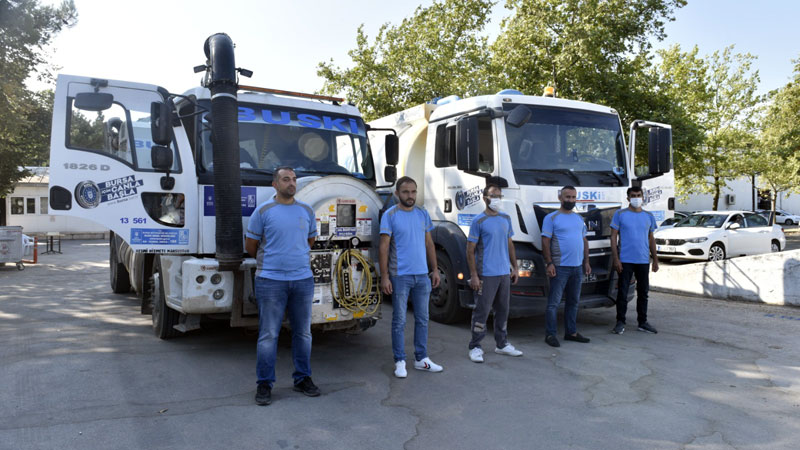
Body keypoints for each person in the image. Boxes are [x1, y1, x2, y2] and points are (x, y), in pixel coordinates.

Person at [245, 166, 320, 406]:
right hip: (270, 280)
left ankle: (302, 379)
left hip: (302, 280)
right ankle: (264, 384)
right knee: (269, 335)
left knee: (303, 333)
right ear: (275, 185)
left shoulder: (306, 210)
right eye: (286, 179)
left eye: (294, 179)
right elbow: (251, 246)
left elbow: (310, 240)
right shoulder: (263, 211)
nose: (291, 183)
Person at [380, 176, 444, 378]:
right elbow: (383, 247)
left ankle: (421, 358)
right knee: (399, 320)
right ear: (397, 193)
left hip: (422, 275)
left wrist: (434, 269)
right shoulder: (390, 215)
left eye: (413, 191)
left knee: (423, 319)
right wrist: (385, 277)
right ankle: (399, 360)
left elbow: (429, 244)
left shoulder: (422, 213)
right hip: (400, 275)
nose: (410, 196)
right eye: (406, 192)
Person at [466, 182, 523, 363]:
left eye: (499, 196)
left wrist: (515, 267)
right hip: (486, 274)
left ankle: (502, 344)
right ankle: (475, 346)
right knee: (482, 311)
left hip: (503, 274)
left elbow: (510, 244)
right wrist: (474, 275)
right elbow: (470, 250)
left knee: (503, 310)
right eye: (493, 195)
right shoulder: (479, 221)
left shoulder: (506, 218)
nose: (496, 199)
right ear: (485, 198)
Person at [542, 185, 591, 347]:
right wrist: (549, 263)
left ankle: (571, 332)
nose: (570, 200)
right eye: (567, 197)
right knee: (553, 303)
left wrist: (587, 262)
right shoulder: (551, 218)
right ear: (560, 198)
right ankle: (550, 335)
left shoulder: (578, 219)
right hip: (560, 267)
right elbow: (545, 241)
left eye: (573, 197)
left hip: (577, 267)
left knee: (573, 302)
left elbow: (584, 241)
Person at [610, 186, 659, 335]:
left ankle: (642, 322)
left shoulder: (648, 216)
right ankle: (620, 322)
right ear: (628, 198)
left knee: (643, 292)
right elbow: (613, 237)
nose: (636, 198)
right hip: (625, 260)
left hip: (643, 260)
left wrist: (655, 259)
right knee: (622, 293)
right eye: (633, 195)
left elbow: (651, 239)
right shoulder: (620, 214)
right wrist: (616, 258)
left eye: (639, 195)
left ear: (643, 197)